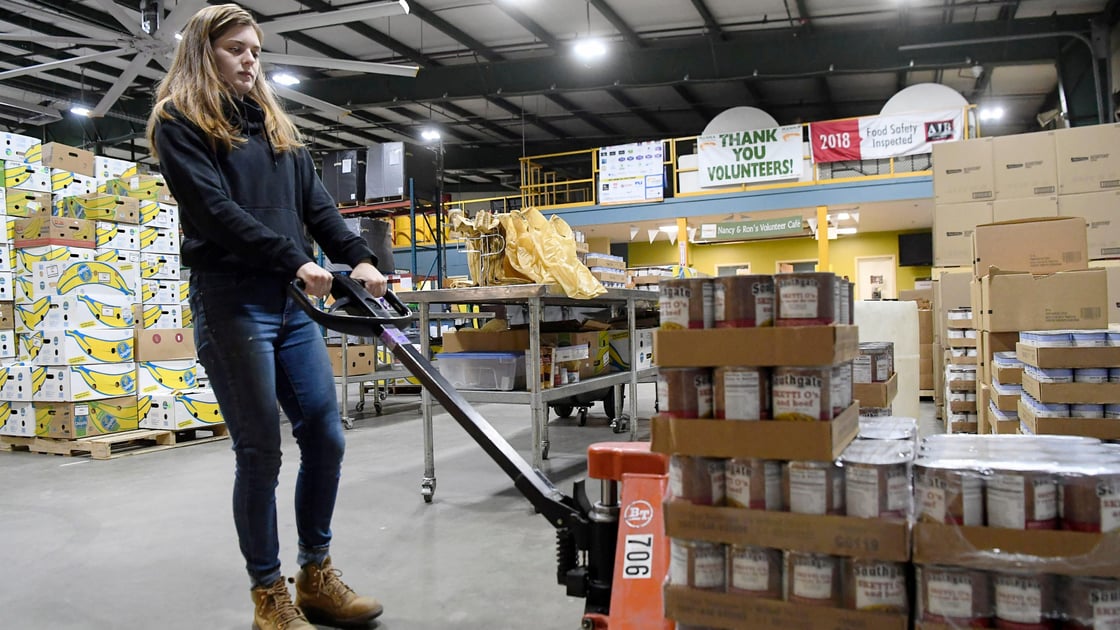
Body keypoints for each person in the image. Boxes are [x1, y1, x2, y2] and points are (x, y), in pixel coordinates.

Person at [145, 4, 387, 629]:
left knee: (326, 438)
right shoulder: (180, 122)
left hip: (292, 303)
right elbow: (215, 212)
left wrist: (357, 257)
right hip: (232, 302)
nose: (250, 58)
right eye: (235, 49)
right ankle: (267, 595)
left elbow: (318, 206)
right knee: (260, 452)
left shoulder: (277, 128)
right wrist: (293, 260)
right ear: (205, 52)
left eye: (254, 49)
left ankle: (315, 574)